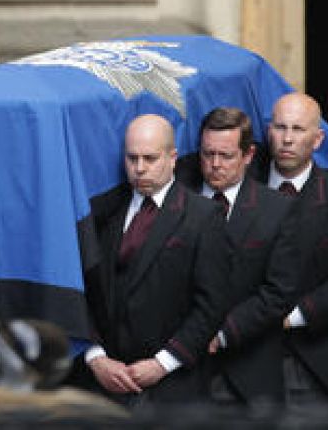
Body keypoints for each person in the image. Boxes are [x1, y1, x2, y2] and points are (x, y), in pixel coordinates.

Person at [76, 113, 231, 406]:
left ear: (173, 158)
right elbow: (82, 288)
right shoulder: (103, 212)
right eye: (132, 158)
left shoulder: (203, 217)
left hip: (173, 388)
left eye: (149, 158)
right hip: (104, 383)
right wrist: (95, 356)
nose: (139, 168)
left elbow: (211, 305)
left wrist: (163, 362)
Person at [176, 107, 299, 406]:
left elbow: (279, 291)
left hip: (249, 372)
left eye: (226, 156)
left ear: (248, 155)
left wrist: (221, 334)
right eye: (207, 154)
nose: (215, 165)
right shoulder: (175, 200)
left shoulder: (278, 210)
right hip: (179, 371)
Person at [249, 92, 328, 409]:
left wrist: (288, 318)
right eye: (280, 128)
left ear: (318, 139)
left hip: (315, 361)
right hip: (242, 364)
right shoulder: (242, 187)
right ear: (268, 133)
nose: (287, 139)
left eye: (298, 129)